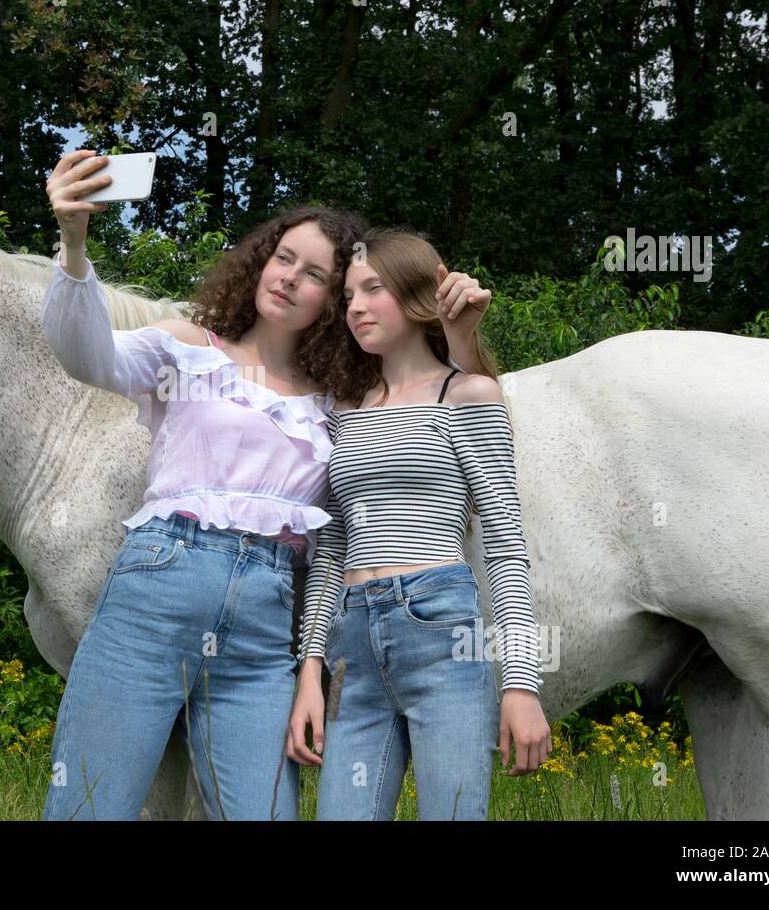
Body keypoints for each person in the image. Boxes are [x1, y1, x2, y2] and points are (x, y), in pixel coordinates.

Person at [38, 150, 489, 819]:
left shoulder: (341, 404)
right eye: (284, 258)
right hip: (157, 589)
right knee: (90, 807)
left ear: (332, 305)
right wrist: (73, 241)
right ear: (260, 260)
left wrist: (455, 327)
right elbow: (85, 355)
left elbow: (437, 415)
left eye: (314, 276)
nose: (289, 279)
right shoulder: (186, 348)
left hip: (263, 625)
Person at [287, 228, 552, 820]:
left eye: (372, 289)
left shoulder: (467, 394)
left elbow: (506, 544)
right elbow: (330, 549)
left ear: (416, 296)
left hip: (442, 633)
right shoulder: (342, 410)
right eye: (348, 295)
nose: (354, 307)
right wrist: (311, 670)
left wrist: (521, 684)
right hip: (350, 649)